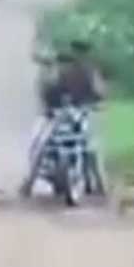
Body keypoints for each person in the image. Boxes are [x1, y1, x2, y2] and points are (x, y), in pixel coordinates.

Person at [20, 40, 106, 197]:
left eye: (82, 53)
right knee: (41, 143)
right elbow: (50, 93)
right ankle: (29, 182)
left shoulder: (90, 73)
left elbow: (98, 93)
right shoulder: (63, 74)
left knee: (89, 146)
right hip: (59, 114)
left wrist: (96, 102)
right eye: (77, 53)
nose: (80, 56)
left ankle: (98, 184)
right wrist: (51, 107)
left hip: (81, 112)